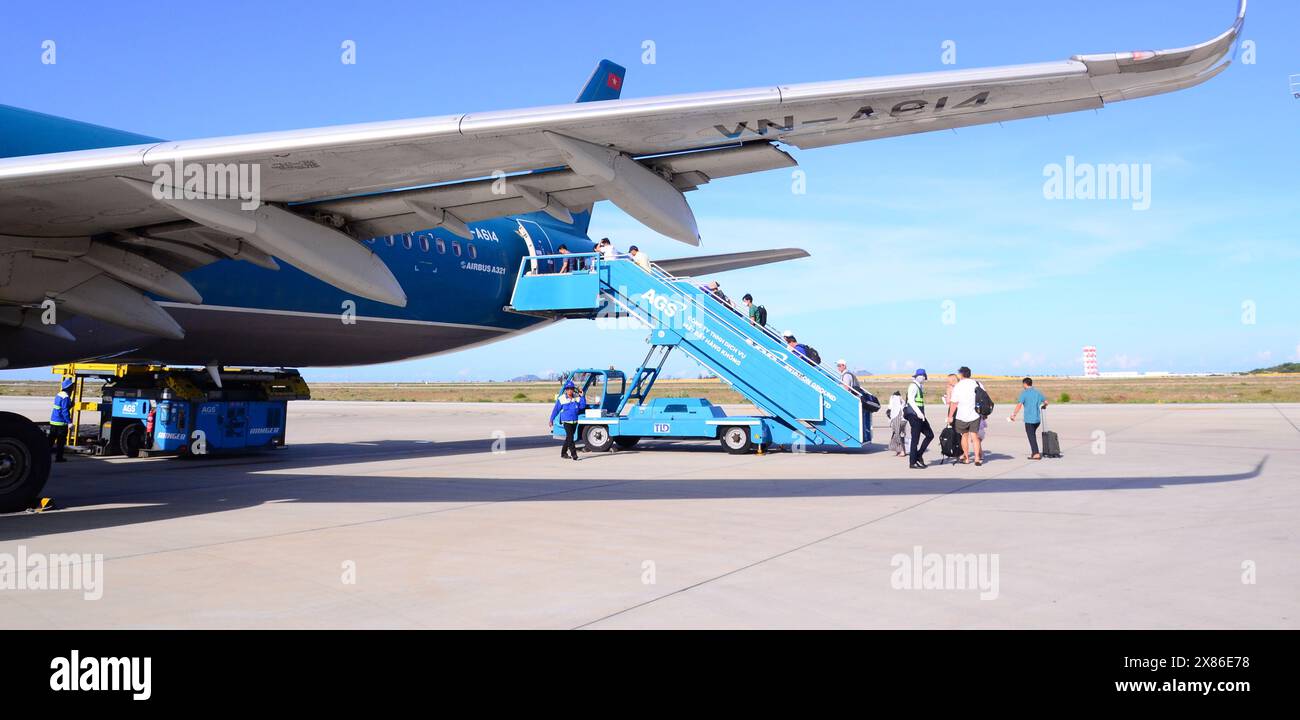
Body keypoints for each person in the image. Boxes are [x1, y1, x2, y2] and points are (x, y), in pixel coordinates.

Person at [947, 366, 984, 466]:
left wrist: (950, 416)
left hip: (962, 415)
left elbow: (954, 403)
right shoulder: (977, 383)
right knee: (975, 436)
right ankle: (977, 458)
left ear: (961, 374)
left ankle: (966, 458)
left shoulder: (958, 386)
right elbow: (983, 398)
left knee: (964, 436)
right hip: (975, 414)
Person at [1009, 377, 1049, 459]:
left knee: (1031, 436)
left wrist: (1013, 415)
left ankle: (1036, 454)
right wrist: (1043, 406)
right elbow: (1046, 402)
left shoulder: (1024, 393)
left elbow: (1019, 405)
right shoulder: (1037, 392)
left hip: (1029, 419)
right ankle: (1034, 452)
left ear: (1025, 384)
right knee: (1032, 435)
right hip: (1037, 419)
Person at [549, 380, 587, 461]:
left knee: (569, 438)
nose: (570, 390)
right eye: (568, 388)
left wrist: (582, 396)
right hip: (566, 421)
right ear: (566, 389)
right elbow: (556, 410)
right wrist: (551, 419)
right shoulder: (561, 399)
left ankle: (563, 453)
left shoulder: (577, 397)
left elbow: (582, 406)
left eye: (572, 388)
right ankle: (574, 455)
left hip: (574, 421)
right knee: (571, 438)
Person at [904, 368, 934, 469]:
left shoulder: (919, 386)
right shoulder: (913, 386)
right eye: (924, 377)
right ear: (919, 376)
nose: (925, 379)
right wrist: (919, 413)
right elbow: (911, 401)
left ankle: (919, 455)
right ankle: (912, 462)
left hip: (920, 415)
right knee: (915, 440)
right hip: (914, 416)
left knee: (930, 435)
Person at [49, 377, 74, 463]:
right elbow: (65, 411)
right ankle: (59, 458)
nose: (73, 388)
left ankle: (44, 456)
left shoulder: (59, 395)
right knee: (60, 442)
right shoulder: (66, 397)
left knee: (50, 442)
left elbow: (60, 408)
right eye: (72, 386)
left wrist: (70, 405)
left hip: (53, 422)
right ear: (68, 387)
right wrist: (69, 422)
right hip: (61, 424)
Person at [886, 391, 908, 457]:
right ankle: (900, 450)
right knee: (900, 435)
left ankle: (902, 451)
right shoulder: (902, 400)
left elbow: (889, 408)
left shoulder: (893, 399)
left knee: (897, 435)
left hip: (897, 418)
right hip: (903, 419)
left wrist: (889, 417)